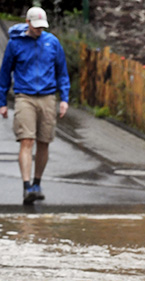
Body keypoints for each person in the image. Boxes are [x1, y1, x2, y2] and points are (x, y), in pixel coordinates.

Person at [0, 7, 70, 205]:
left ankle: (37, 183)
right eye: (36, 26)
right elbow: (5, 73)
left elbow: (62, 72)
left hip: (48, 96)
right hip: (25, 96)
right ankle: (26, 187)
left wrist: (64, 99)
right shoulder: (15, 44)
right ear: (28, 23)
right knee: (26, 140)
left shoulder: (52, 42)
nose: (39, 30)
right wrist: (2, 102)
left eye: (42, 27)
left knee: (44, 141)